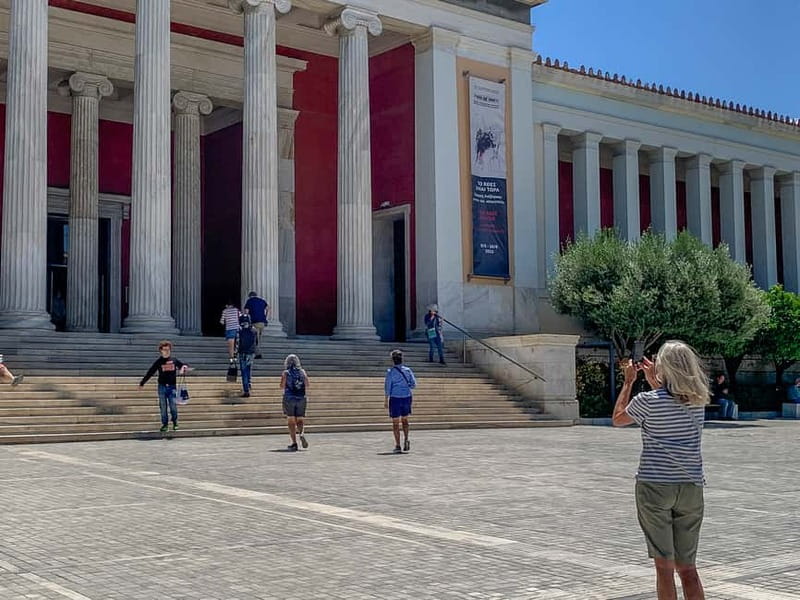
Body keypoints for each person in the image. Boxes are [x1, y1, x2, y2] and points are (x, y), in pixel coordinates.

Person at [612, 340, 709, 600]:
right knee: (688, 568)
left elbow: (618, 419)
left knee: (664, 568)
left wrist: (629, 381)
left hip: (655, 486)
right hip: (690, 487)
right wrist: (655, 378)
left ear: (664, 367)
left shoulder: (648, 401)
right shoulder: (698, 402)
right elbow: (673, 398)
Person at [139, 340, 189, 433]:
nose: (167, 351)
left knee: (173, 406)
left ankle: (175, 422)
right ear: (161, 350)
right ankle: (165, 424)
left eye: (168, 350)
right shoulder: (159, 362)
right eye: (165, 350)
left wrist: (184, 368)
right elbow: (150, 372)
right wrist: (142, 382)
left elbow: (183, 365)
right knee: (163, 406)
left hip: (172, 387)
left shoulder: (174, 360)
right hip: (162, 387)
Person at [384, 349, 417, 454]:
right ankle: (406, 438)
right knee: (405, 420)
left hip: (395, 398)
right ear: (402, 359)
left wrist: (386, 400)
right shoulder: (408, 370)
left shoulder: (390, 372)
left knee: (395, 423)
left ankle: (398, 445)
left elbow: (387, 387)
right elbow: (413, 384)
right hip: (407, 397)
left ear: (392, 360)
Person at [280, 354, 309, 451]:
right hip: (301, 398)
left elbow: (282, 386)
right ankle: (302, 434)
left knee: (291, 421)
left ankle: (294, 443)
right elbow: (307, 384)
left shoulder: (286, 373)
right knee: (300, 420)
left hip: (289, 398)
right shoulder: (302, 372)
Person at [243, 291, 270, 359]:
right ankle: (257, 352)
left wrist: (246, 320)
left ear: (250, 296)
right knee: (258, 338)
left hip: (254, 322)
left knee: (254, 338)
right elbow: (268, 308)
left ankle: (257, 354)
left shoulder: (249, 301)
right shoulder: (262, 301)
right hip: (262, 322)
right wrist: (265, 317)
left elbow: (246, 312)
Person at [237, 315, 258, 398]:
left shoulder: (240, 330)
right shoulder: (254, 330)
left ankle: (246, 390)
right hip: (251, 352)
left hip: (243, 352)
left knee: (244, 371)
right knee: (249, 369)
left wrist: (235, 354)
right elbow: (256, 342)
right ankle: (249, 384)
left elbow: (237, 342)